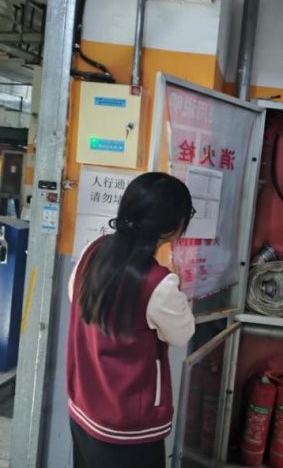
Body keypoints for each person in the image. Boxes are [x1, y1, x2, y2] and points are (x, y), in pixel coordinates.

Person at [66, 172, 196, 468]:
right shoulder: (159, 282)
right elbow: (181, 334)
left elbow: (75, 297)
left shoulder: (93, 249)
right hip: (129, 427)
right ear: (172, 227)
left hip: (84, 410)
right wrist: (175, 283)